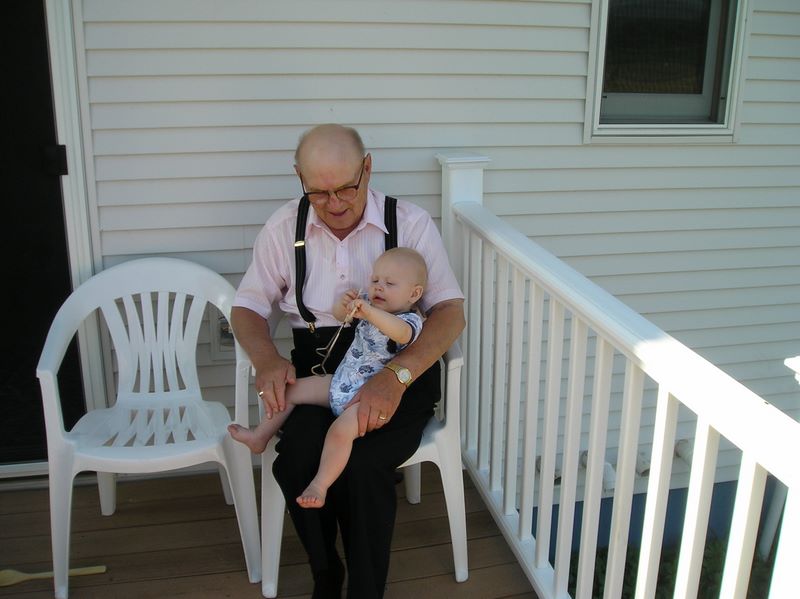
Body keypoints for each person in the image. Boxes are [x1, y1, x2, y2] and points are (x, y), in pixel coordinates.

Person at [231, 124, 465, 599]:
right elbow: (248, 306)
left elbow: (449, 313)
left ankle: (365, 590)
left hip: (400, 369)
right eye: (319, 192)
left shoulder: (410, 223)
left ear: (368, 169)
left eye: (346, 188)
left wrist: (396, 376)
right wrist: (266, 357)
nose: (334, 203)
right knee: (296, 459)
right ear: (299, 177)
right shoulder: (284, 228)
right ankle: (326, 572)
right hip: (321, 368)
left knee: (363, 467)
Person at [228, 247, 428, 510]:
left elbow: (400, 334)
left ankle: (319, 485)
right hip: (342, 382)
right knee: (291, 391)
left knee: (339, 433)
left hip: (366, 400)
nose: (379, 287)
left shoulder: (410, 320)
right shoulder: (370, 303)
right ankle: (260, 436)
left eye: (390, 284)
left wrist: (369, 312)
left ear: (414, 294)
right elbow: (339, 317)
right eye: (375, 280)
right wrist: (343, 306)